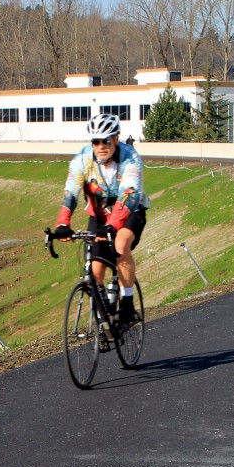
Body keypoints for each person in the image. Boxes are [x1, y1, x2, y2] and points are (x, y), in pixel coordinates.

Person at [52, 114, 150, 326]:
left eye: (106, 140)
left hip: (131, 211)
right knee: (95, 270)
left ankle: (127, 303)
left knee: (121, 243)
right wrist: (62, 224)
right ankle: (105, 319)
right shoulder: (83, 159)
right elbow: (71, 193)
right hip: (99, 215)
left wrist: (113, 225)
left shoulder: (130, 158)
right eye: (96, 141)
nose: (101, 146)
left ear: (115, 139)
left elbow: (129, 193)